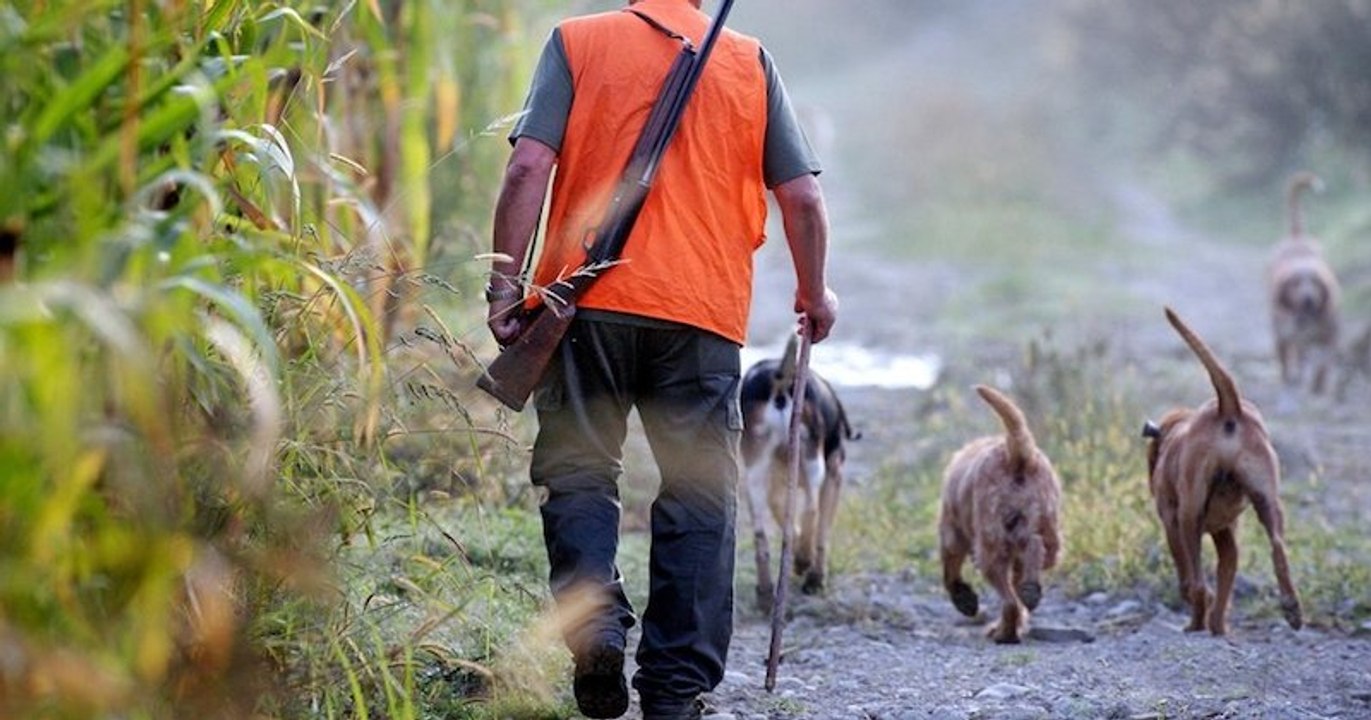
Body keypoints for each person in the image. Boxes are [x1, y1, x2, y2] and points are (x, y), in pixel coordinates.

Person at [484, 1, 837, 718]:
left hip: (582, 305)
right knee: (698, 493)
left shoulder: (575, 42)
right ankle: (674, 690)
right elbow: (801, 196)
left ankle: (594, 626)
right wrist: (814, 292)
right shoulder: (747, 60)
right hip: (700, 316)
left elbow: (527, 167)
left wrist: (504, 286)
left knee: (578, 472)